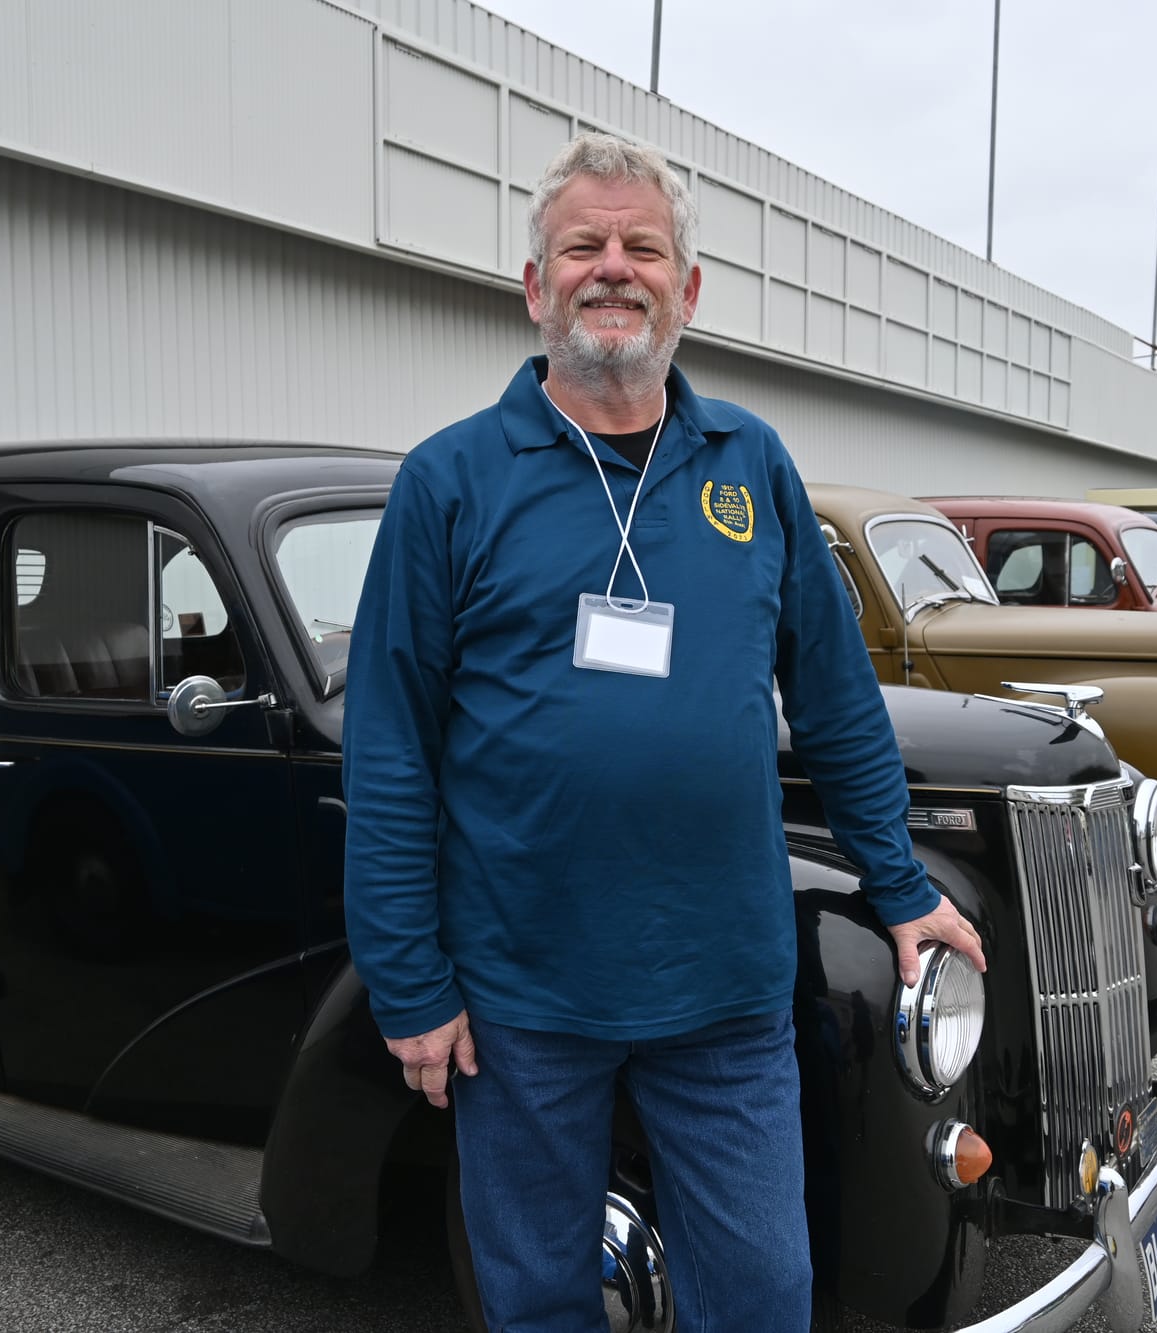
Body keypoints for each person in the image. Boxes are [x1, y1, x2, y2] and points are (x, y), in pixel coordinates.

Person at [341, 131, 983, 1333]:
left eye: (643, 247)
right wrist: (407, 980)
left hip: (724, 991)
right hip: (522, 996)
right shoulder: (450, 483)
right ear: (535, 287)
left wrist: (897, 883)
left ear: (686, 292)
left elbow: (835, 696)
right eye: (581, 245)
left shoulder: (753, 465)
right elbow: (389, 747)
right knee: (538, 1301)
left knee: (761, 1295)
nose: (612, 268)